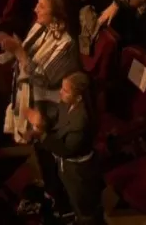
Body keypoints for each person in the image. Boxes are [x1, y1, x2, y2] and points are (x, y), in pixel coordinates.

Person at [0, 0, 82, 219]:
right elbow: (25, 54)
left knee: (49, 156)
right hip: (34, 102)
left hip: (51, 111)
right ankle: (49, 190)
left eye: (42, 6)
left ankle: (61, 206)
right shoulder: (40, 27)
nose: (36, 9)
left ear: (58, 14)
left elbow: (45, 79)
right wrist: (9, 50)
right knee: (38, 151)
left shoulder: (67, 46)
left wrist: (21, 54)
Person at [26, 73, 104, 225]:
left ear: (79, 97)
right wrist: (42, 122)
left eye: (65, 91)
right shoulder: (66, 103)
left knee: (83, 206)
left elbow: (65, 149)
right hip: (67, 166)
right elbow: (57, 123)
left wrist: (40, 134)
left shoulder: (80, 121)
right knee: (73, 199)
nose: (60, 92)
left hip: (77, 169)